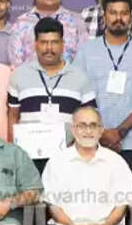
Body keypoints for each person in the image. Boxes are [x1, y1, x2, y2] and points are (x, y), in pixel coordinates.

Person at [74, 0, 132, 171]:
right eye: (113, 13)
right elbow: (78, 95)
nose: (118, 18)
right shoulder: (86, 51)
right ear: (104, 17)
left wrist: (120, 132)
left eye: (124, 13)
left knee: (128, 197)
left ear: (131, 18)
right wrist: (101, 133)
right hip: (92, 140)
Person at [7, 17, 96, 172]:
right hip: (28, 161)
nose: (49, 48)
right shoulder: (19, 75)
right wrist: (13, 151)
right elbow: (13, 116)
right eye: (43, 42)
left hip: (69, 160)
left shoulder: (80, 77)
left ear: (63, 45)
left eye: (54, 42)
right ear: (35, 44)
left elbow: (90, 119)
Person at [7, 0, 88, 68]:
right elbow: (15, 60)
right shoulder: (21, 22)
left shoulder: (76, 21)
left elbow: (84, 55)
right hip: (30, 80)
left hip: (68, 80)